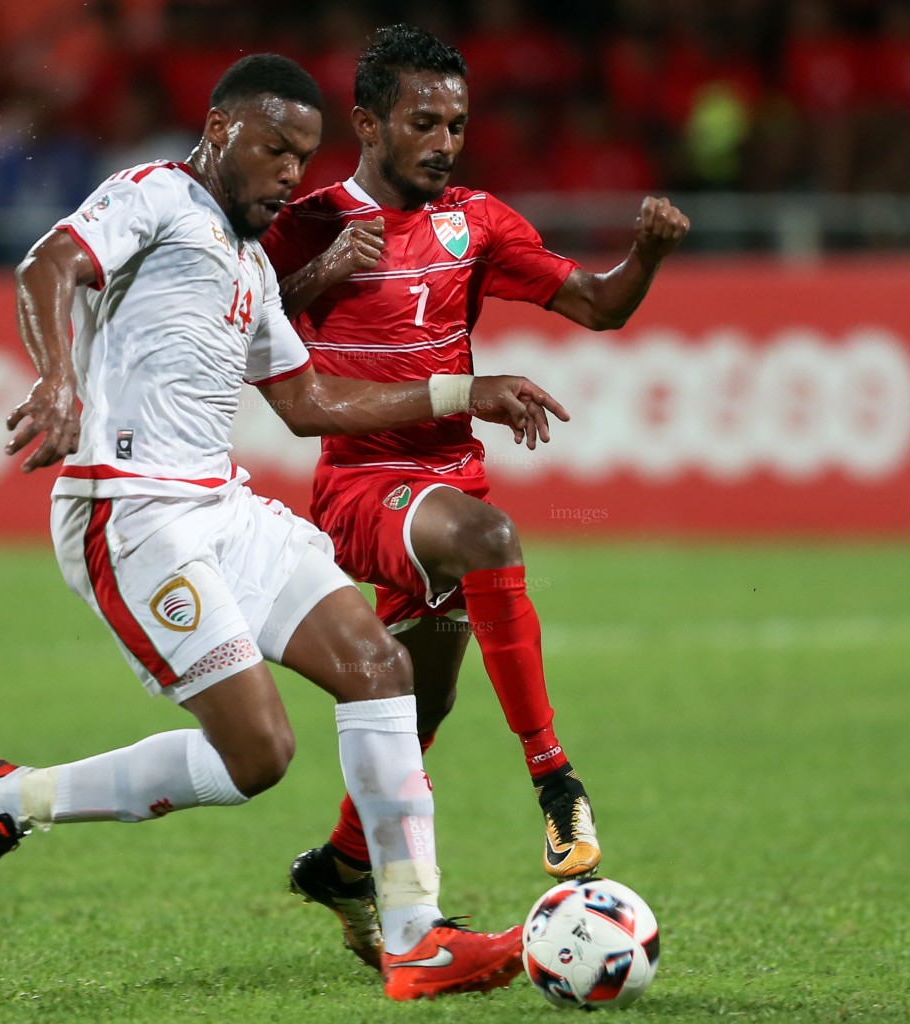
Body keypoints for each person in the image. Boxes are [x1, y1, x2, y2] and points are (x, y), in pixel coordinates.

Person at [0, 53, 573, 1003]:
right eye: (275, 150)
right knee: (259, 758)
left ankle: (416, 935)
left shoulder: (250, 261)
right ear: (223, 131)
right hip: (128, 508)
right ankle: (7, 800)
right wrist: (61, 379)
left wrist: (460, 391)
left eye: (304, 159)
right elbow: (50, 263)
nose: (289, 175)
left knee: (379, 667)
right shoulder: (153, 195)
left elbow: (308, 401)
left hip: (218, 504)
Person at [260, 25, 690, 969]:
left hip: (444, 483)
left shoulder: (478, 223)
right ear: (369, 124)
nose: (445, 140)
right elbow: (237, 321)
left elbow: (599, 305)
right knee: (490, 537)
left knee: (419, 701)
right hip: (360, 489)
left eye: (456, 122)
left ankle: (342, 864)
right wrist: (311, 281)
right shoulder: (310, 221)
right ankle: (556, 782)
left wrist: (646, 254)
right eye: (424, 122)